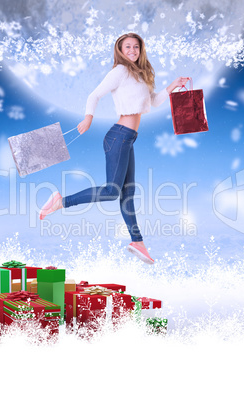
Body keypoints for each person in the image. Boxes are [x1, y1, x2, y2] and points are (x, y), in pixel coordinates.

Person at [39, 32, 189, 265]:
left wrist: (174, 85)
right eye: (127, 47)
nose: (132, 50)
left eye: (136, 47)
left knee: (127, 194)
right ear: (120, 50)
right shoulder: (119, 72)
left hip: (128, 138)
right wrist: (88, 118)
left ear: (141, 50)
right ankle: (61, 201)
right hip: (118, 136)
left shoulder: (140, 75)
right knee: (111, 191)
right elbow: (94, 95)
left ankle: (137, 242)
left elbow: (154, 102)